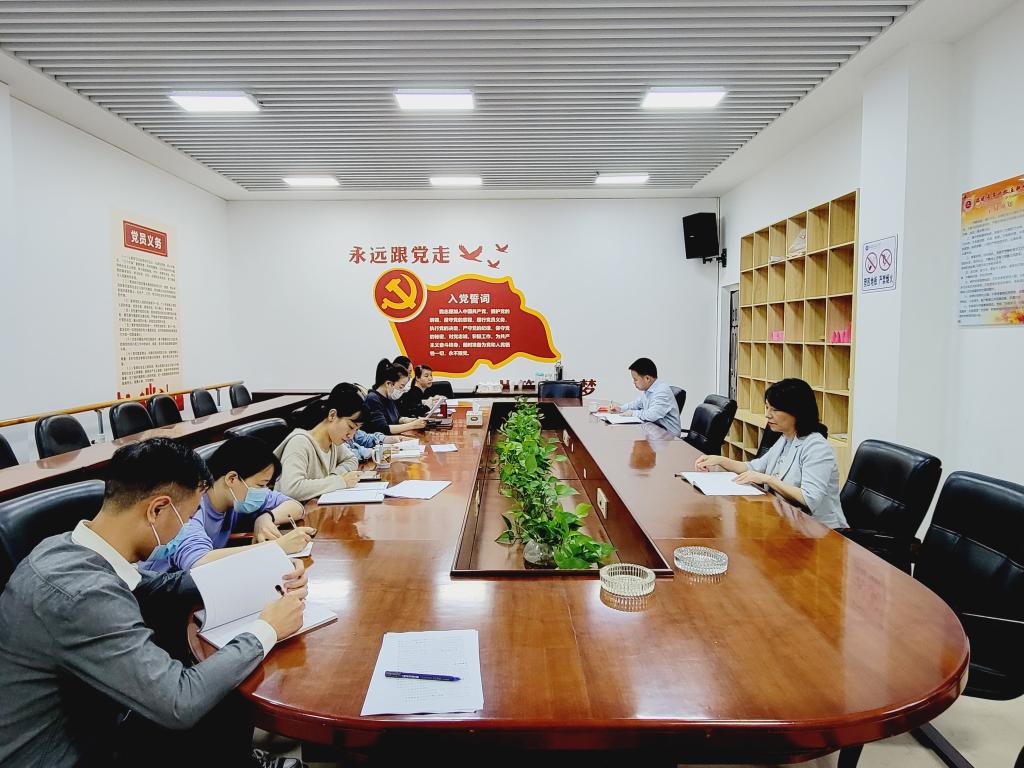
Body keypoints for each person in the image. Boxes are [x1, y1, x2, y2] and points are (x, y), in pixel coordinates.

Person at [0, 438, 307, 768]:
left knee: (222, 690)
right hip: (66, 753)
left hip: (94, 711)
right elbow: (179, 702)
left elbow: (161, 585)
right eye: (187, 518)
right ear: (157, 510)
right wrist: (267, 629)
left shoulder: (66, 547)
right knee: (218, 691)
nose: (187, 529)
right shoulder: (82, 594)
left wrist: (265, 569)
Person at [138, 436, 316, 573]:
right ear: (232, 479)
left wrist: (266, 518)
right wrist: (277, 547)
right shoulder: (191, 507)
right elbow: (199, 562)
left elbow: (295, 506)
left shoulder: (235, 498)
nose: (263, 492)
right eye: (261, 485)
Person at [694, 378, 847, 529]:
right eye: (767, 407)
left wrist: (768, 479)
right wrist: (720, 460)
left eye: (775, 409)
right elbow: (753, 468)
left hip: (819, 530)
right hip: (787, 521)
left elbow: (810, 498)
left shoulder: (816, 446)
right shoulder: (786, 437)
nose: (767, 414)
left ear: (797, 412)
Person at [274, 383, 365, 501]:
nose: (351, 436)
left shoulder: (333, 441)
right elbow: (291, 489)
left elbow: (351, 459)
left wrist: (334, 476)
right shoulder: (299, 443)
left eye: (356, 430)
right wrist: (340, 481)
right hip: (295, 510)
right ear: (332, 415)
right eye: (350, 427)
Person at [610, 357, 681, 436]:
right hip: (655, 431)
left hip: (669, 437)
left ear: (647, 378)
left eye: (635, 379)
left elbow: (653, 415)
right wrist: (620, 408)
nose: (633, 382)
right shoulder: (649, 389)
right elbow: (636, 404)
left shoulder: (662, 391)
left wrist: (633, 413)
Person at [363, 359, 427, 435]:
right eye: (401, 387)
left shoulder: (389, 397)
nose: (403, 390)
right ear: (389, 384)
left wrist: (412, 420)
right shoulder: (373, 399)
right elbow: (383, 429)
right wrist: (412, 425)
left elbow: (397, 418)